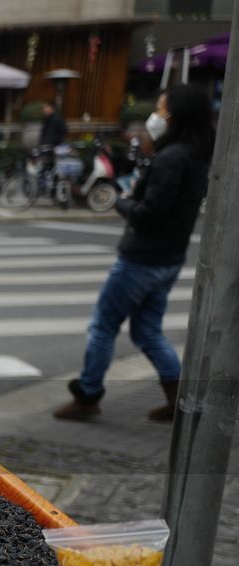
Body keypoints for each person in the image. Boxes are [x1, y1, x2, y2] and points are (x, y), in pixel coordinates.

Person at [54, 85, 214, 422]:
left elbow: (148, 214)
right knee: (147, 330)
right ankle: (178, 398)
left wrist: (120, 201)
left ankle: (88, 395)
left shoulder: (173, 157)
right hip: (168, 258)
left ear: (177, 115)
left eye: (161, 108)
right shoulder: (196, 154)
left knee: (102, 326)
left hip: (142, 258)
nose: (155, 116)